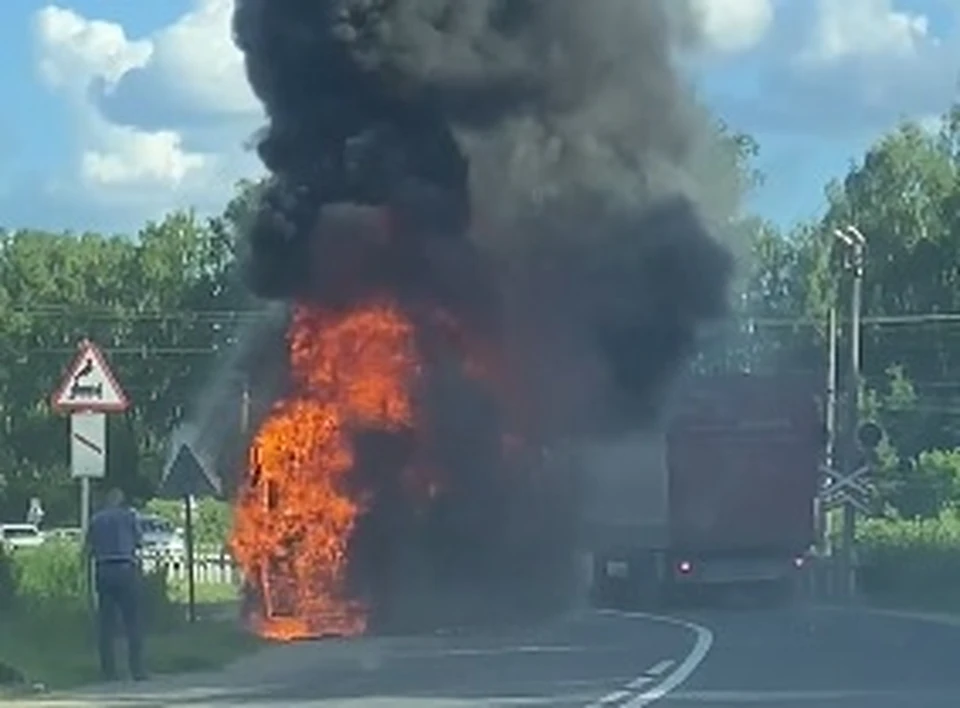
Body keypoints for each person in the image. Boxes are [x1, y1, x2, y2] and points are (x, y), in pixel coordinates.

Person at [83, 488, 146, 681]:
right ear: (121, 500)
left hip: (104, 570)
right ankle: (137, 670)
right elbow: (139, 542)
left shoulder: (96, 519)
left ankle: (108, 671)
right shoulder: (129, 517)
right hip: (125, 568)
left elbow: (88, 548)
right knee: (132, 621)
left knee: (106, 623)